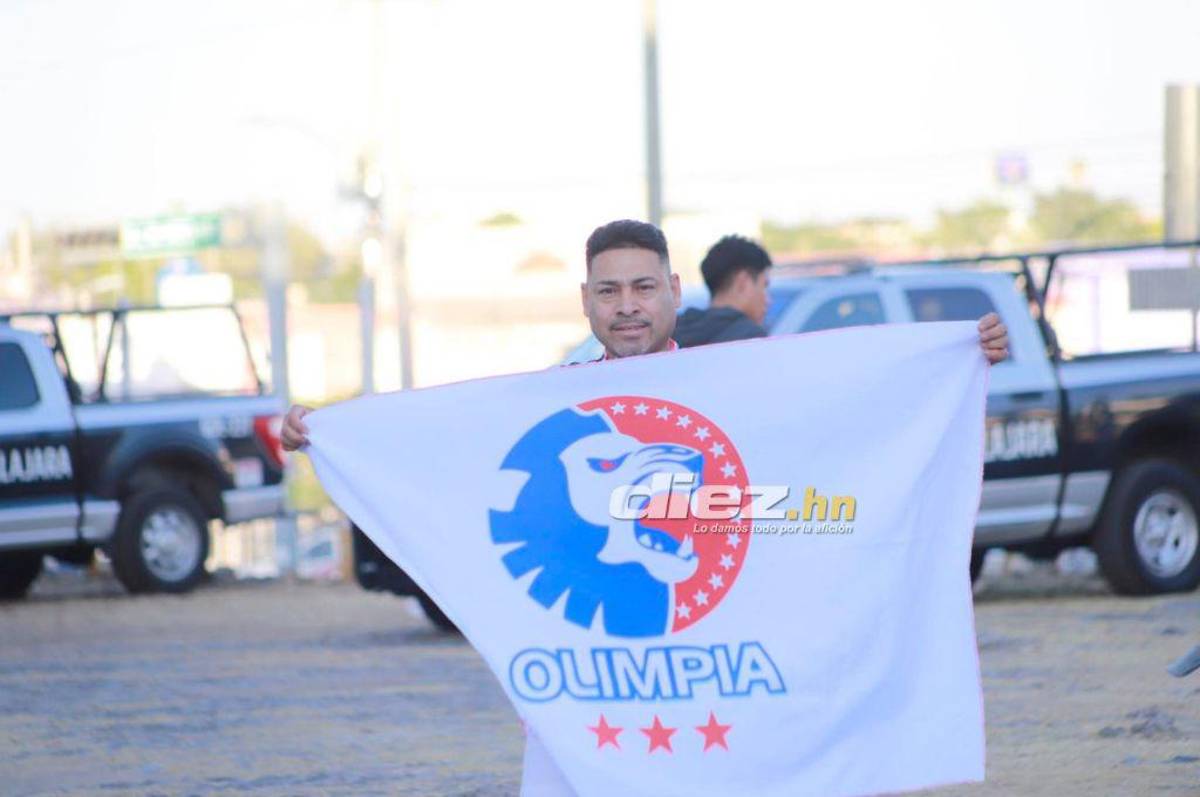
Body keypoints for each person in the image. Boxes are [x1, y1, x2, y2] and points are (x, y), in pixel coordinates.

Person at [279, 218, 1009, 796]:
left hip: (723, 700)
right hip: (596, 710)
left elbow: (847, 421)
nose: (626, 305)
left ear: (674, 290)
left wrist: (961, 354)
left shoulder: (744, 386)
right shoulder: (548, 402)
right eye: (608, 290)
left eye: (642, 286)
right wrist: (332, 433)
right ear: (586, 299)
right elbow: (442, 451)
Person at [673, 234, 772, 347]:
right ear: (743, 282)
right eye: (764, 286)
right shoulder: (752, 340)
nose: (768, 301)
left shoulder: (670, 335)